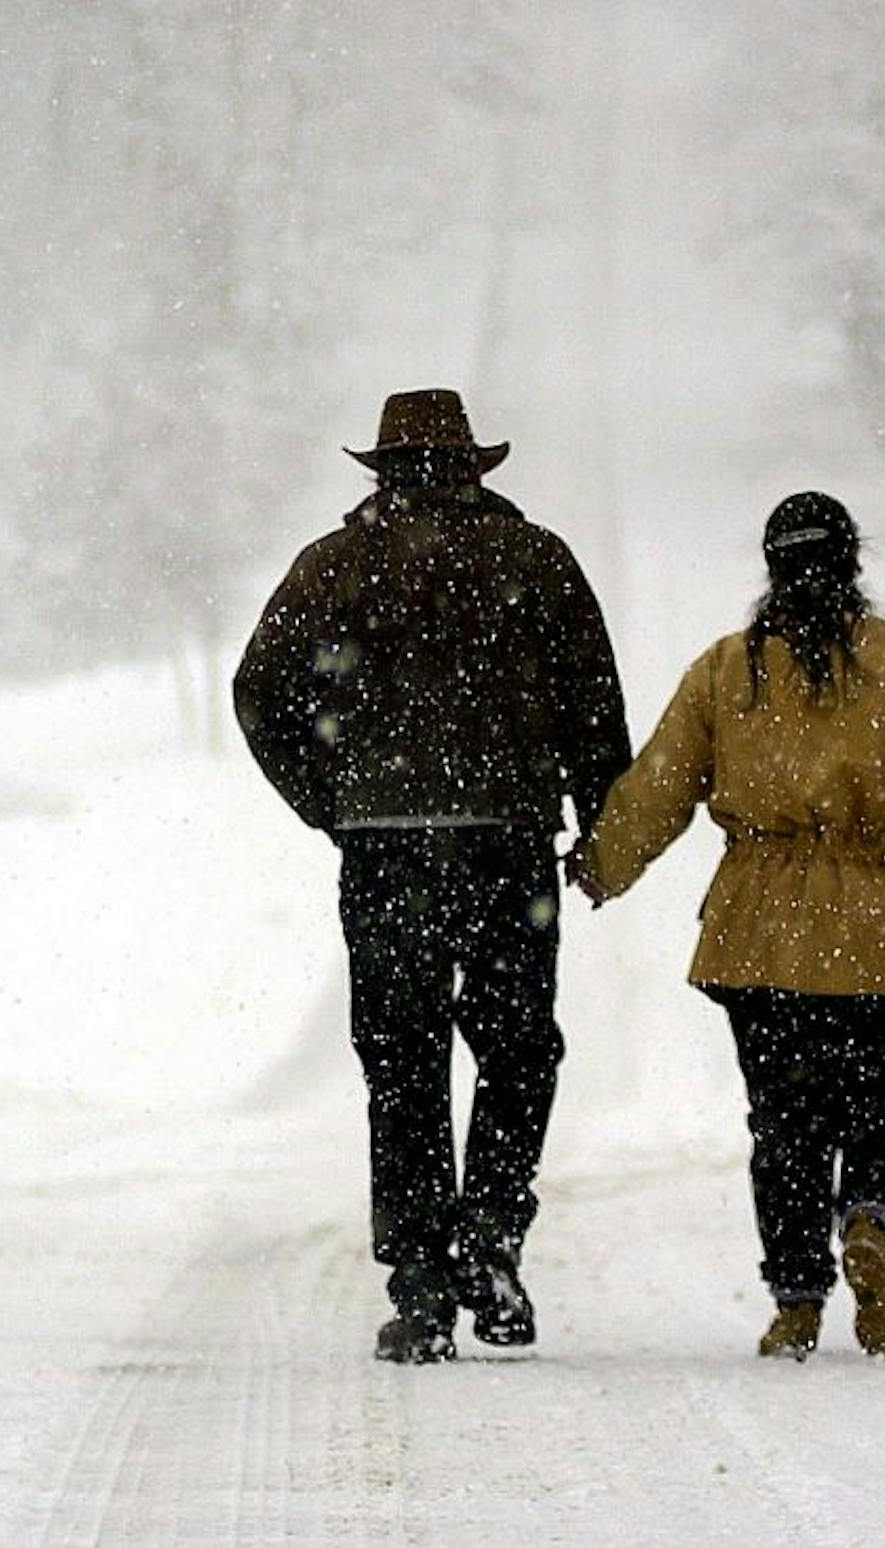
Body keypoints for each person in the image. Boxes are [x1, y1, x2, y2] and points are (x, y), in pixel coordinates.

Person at [569, 490, 885, 1361]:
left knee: (785, 1123)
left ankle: (796, 1301)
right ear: (853, 566)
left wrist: (601, 864)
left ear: (772, 571)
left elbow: (661, 784)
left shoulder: (724, 674)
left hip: (764, 934)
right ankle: (870, 1225)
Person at [234, 388, 630, 1364]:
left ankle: (418, 1285)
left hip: (388, 848)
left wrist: (328, 796)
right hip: (507, 843)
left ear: (381, 470)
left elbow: (258, 690)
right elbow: (593, 700)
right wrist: (601, 825)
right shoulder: (536, 560)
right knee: (517, 1048)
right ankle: (491, 1241)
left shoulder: (336, 565)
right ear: (471, 468)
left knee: (402, 1062)